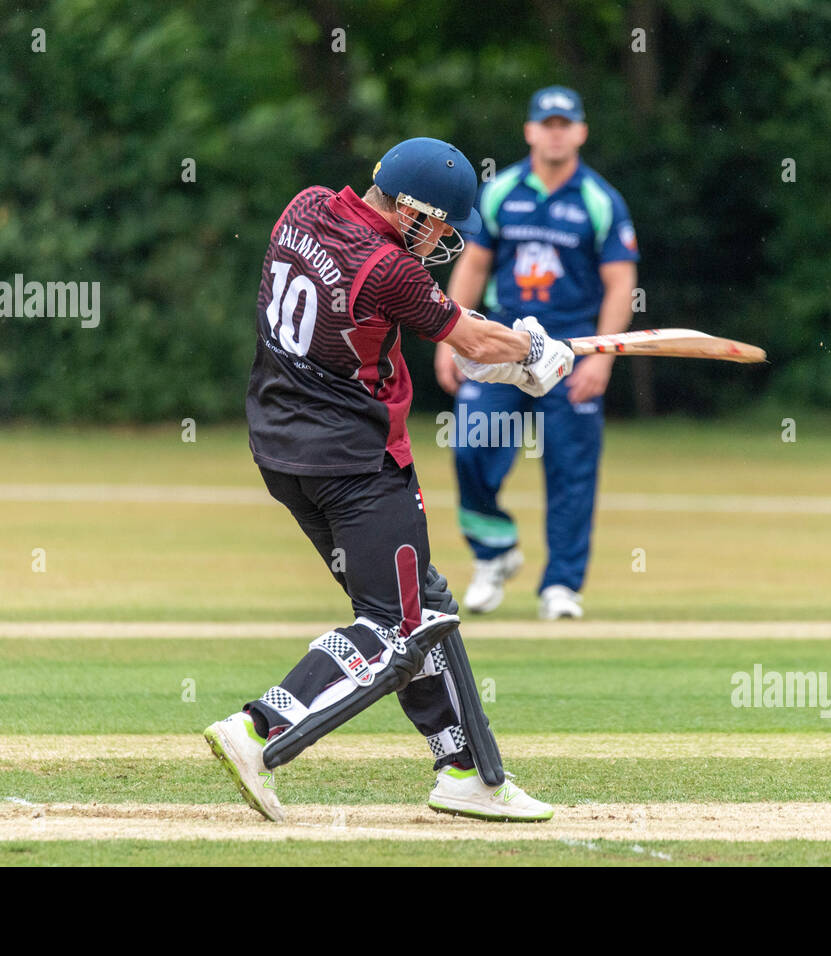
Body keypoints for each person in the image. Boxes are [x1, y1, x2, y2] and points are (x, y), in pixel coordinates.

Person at [203, 137, 575, 823]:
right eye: (438, 226)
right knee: (395, 628)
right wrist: (534, 349)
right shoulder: (389, 268)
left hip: (283, 454)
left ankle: (468, 770)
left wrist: (504, 353)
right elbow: (470, 340)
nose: (440, 241)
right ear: (412, 209)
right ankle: (259, 730)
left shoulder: (305, 207)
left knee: (424, 605)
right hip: (359, 466)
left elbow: (450, 333)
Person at [436, 86, 639, 620]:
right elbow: (474, 267)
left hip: (571, 351)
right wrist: (449, 334)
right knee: (471, 446)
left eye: (564, 123)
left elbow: (620, 284)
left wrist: (603, 359)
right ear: (529, 130)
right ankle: (494, 553)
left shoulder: (600, 200)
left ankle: (561, 587)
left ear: (580, 132)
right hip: (502, 347)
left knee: (572, 470)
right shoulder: (500, 191)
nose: (555, 131)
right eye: (545, 123)